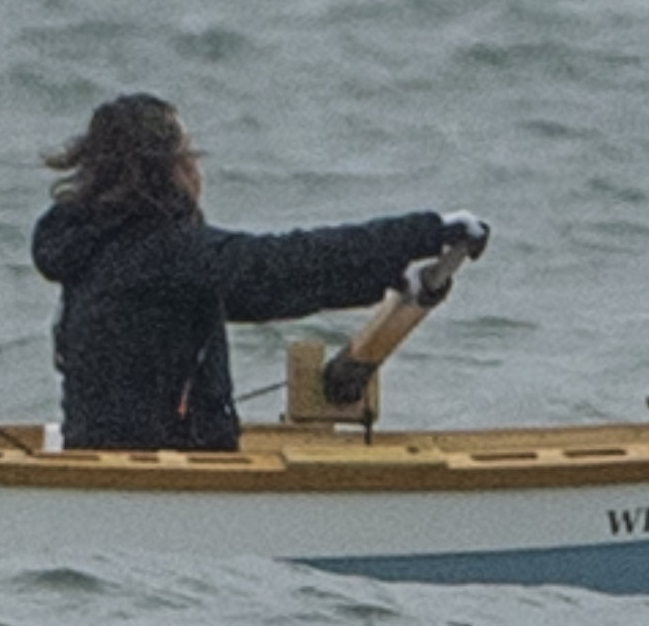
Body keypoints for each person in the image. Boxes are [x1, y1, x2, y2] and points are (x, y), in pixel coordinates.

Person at [28, 92, 486, 454]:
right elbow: (279, 265)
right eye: (188, 158)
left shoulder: (100, 248)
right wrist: (422, 234)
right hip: (155, 475)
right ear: (162, 174)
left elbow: (269, 291)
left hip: (117, 457)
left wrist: (389, 275)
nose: (198, 174)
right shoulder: (158, 253)